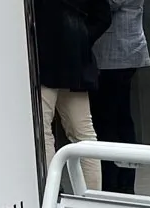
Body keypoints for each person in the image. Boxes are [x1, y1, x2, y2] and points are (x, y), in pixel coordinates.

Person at [37, 0, 113, 191]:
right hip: (74, 59)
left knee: (43, 131)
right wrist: (81, 38)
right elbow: (103, 16)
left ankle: (52, 195)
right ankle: (92, 197)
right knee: (83, 133)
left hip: (43, 57)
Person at [91, 0, 150, 193]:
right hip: (122, 50)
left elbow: (108, 4)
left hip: (115, 53)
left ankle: (115, 183)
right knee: (120, 119)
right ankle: (123, 182)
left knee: (108, 122)